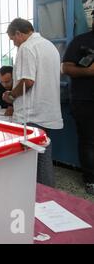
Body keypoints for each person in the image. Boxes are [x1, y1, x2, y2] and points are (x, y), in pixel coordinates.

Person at [2, 18, 63, 187]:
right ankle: (48, 195)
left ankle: (39, 197)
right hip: (47, 110)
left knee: (31, 160)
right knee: (43, 154)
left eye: (13, 39)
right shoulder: (50, 47)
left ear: (18, 34)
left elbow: (27, 81)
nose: (14, 44)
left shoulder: (26, 47)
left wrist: (11, 96)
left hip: (31, 112)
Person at [61, 22, 94, 195]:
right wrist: (90, 71)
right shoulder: (81, 41)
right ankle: (90, 180)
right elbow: (65, 68)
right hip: (85, 101)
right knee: (88, 141)